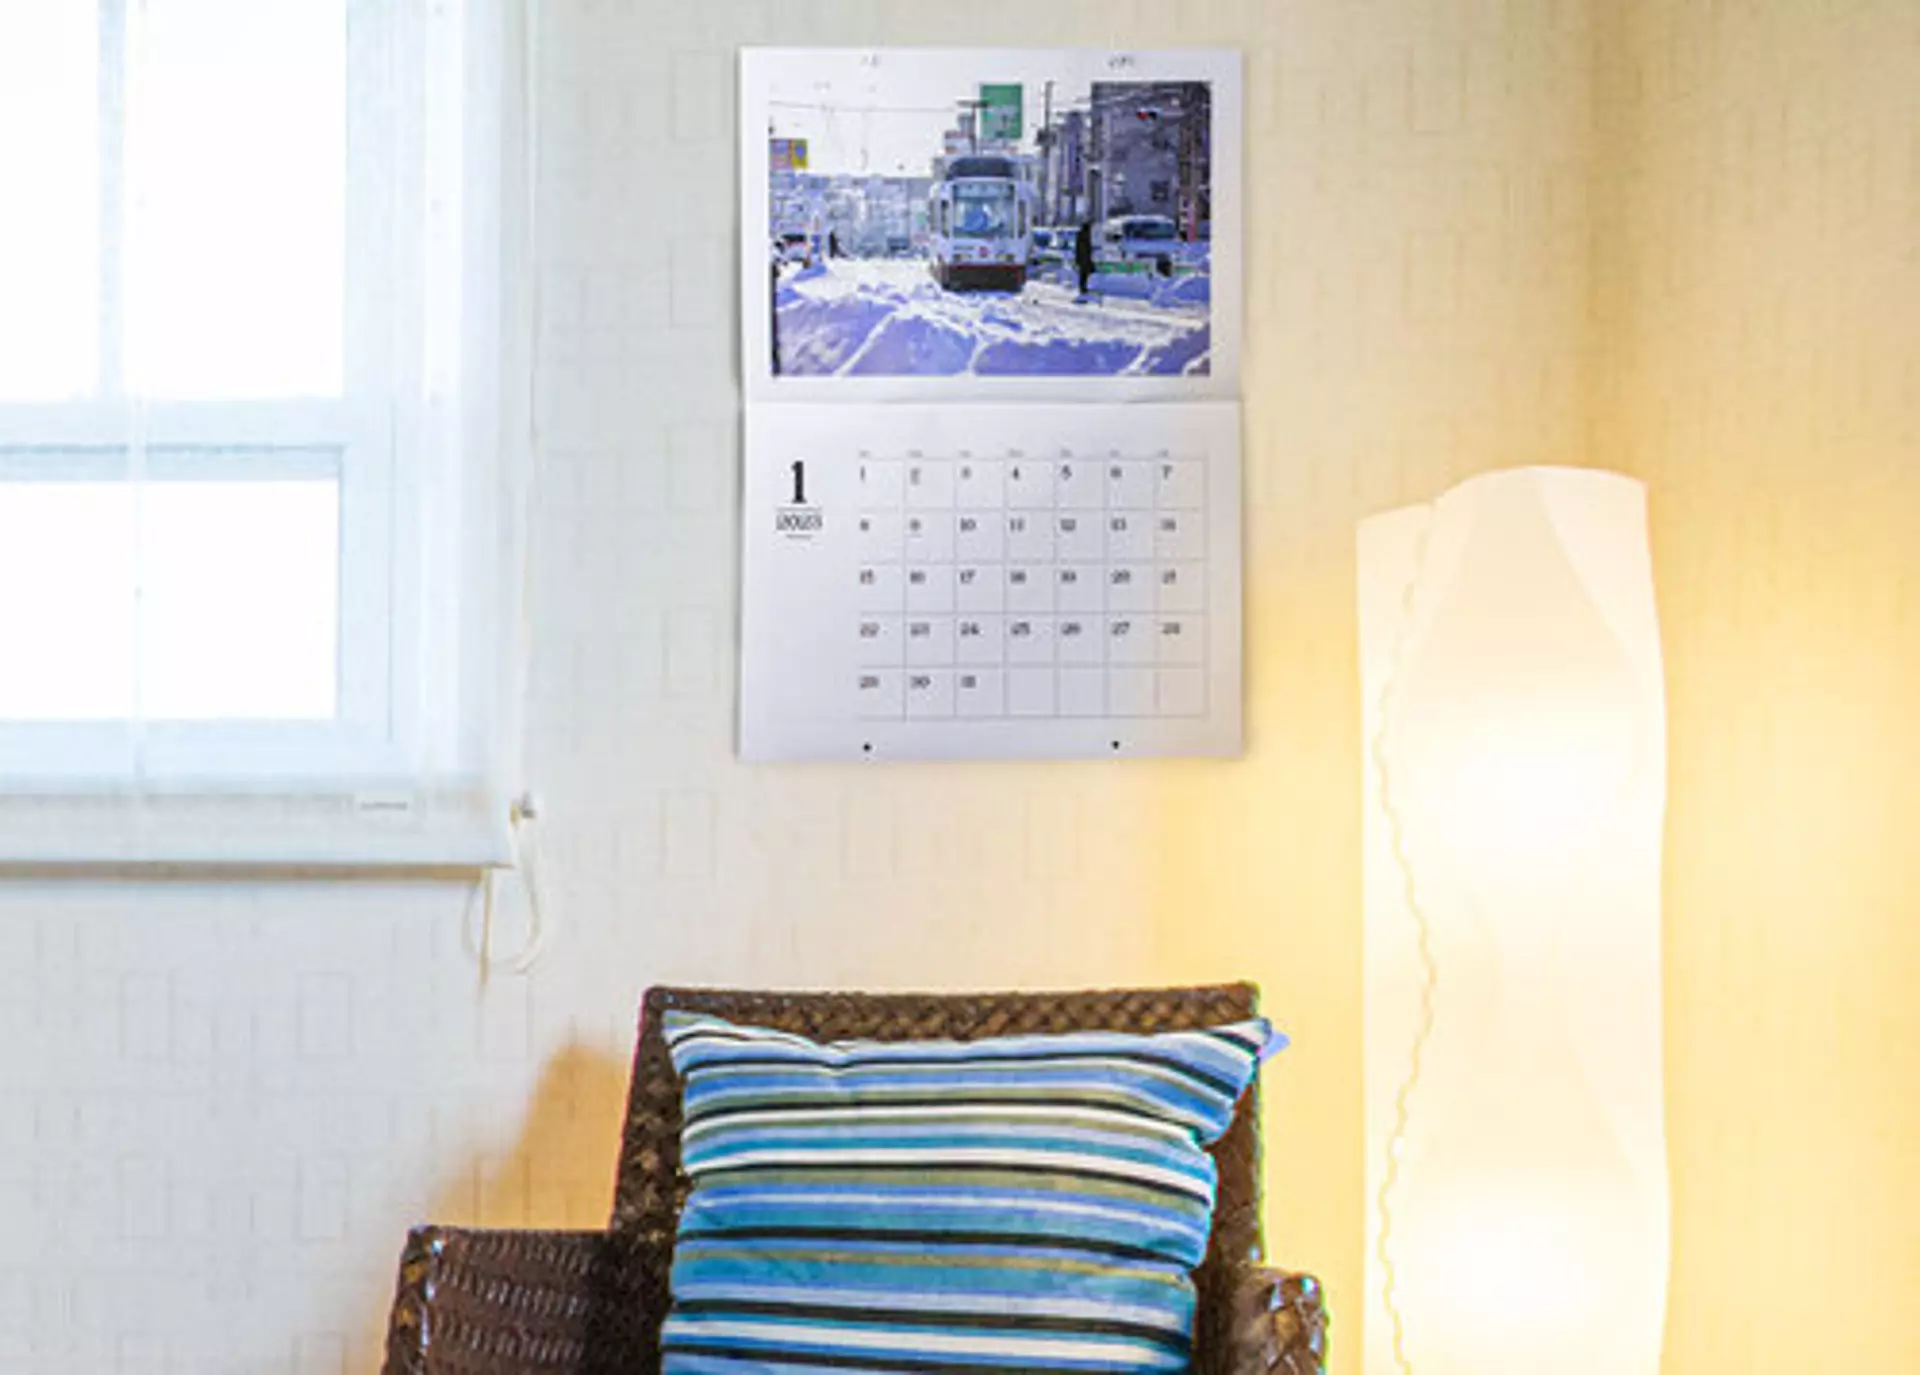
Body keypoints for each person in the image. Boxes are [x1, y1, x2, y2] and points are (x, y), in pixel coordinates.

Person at [1073, 219, 1096, 299]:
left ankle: (1083, 287)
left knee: (1084, 273)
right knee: (1084, 273)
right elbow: (1084, 247)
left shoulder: (1081, 235)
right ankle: (1083, 288)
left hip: (1082, 257)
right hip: (1084, 257)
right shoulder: (1085, 235)